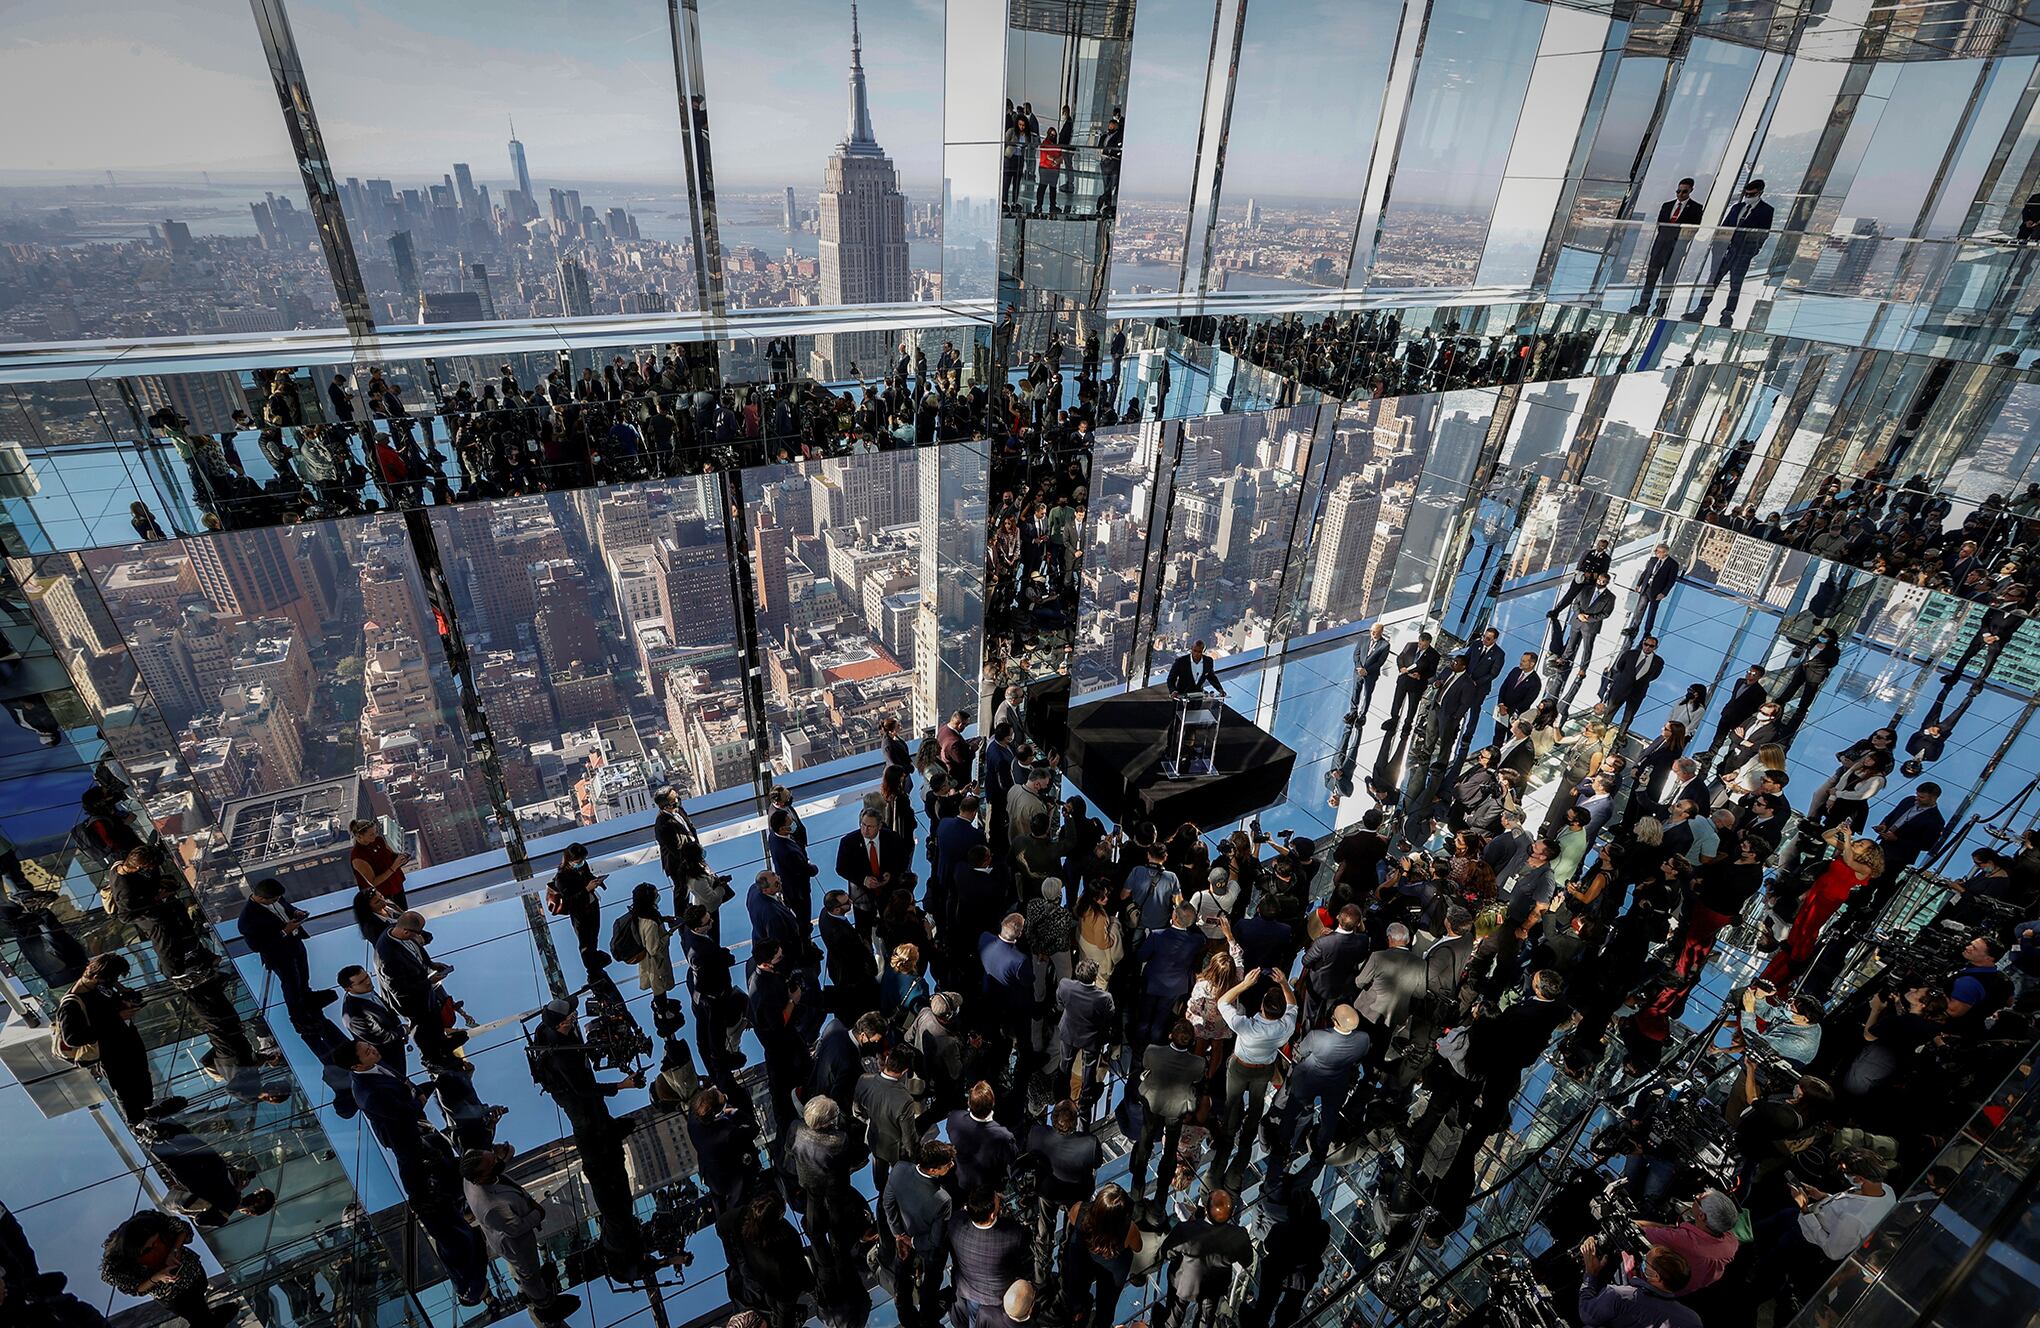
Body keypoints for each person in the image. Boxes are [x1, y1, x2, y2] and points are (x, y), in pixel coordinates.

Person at [55, 955, 183, 1128]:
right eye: (111, 978)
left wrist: (127, 1001)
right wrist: (117, 1018)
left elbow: (112, 1003)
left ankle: (147, 1107)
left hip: (127, 1036)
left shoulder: (101, 984)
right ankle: (137, 1124)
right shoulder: (71, 1004)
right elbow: (73, 1039)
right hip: (109, 1049)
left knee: (142, 1074)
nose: (113, 982)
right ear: (95, 975)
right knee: (124, 1086)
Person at [462, 1146, 581, 1327]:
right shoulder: (491, 1206)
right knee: (529, 1274)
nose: (496, 1161)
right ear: (479, 1177)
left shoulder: (474, 1176)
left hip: (509, 1229)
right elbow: (515, 1228)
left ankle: (536, 1291)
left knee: (530, 1273)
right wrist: (538, 1213)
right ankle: (545, 1306)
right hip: (516, 1244)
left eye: (493, 1157)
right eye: (491, 1163)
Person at [1208, 965, 1298, 1186]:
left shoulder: (1246, 1026)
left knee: (1232, 1102)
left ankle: (1228, 1134)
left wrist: (1245, 984)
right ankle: (1246, 1140)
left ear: (1262, 1005)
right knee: (1256, 1105)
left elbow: (1222, 1003)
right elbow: (1293, 1005)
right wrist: (1285, 983)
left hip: (1239, 1068)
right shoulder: (1285, 1027)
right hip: (1263, 1070)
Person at [100, 1212, 234, 1328]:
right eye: (147, 1250)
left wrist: (175, 1250)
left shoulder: (151, 1221)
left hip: (193, 1276)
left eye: (156, 1241)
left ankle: (213, 1318)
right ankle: (213, 1319)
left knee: (204, 1316)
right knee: (202, 1315)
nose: (156, 1248)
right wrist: (157, 1277)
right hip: (175, 1295)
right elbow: (136, 1289)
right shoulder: (119, 1265)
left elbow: (184, 1229)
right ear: (135, 1253)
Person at [1128, 1019, 1204, 1204]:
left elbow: (1146, 1066)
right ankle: (1164, 1175)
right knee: (1171, 1145)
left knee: (1147, 1133)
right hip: (1176, 1108)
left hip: (1153, 1101)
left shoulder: (1153, 1051)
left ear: (1171, 1035)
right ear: (1192, 1041)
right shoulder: (1197, 1063)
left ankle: (1139, 1174)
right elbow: (1197, 1080)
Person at [883, 1140, 955, 1328]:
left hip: (904, 1239)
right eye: (948, 1165)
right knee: (930, 1284)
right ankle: (927, 1315)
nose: (952, 1166)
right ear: (933, 1170)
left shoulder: (899, 1169)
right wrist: (912, 1241)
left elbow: (887, 1204)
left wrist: (899, 1235)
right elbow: (935, 1240)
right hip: (927, 1250)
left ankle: (908, 1312)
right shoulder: (943, 1200)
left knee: (902, 1281)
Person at [1686, 178, 1774, 325]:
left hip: (1743, 252)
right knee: (1713, 281)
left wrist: (1752, 251)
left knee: (1736, 283)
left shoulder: (1766, 210)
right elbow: (1725, 228)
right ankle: (1701, 309)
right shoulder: (1736, 208)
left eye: (1752, 194)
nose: (1748, 197)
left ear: (1760, 193)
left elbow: (1763, 233)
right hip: (1727, 251)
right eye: (1746, 194)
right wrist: (1718, 247)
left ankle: (1728, 312)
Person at [947, 1188, 1030, 1328]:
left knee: (974, 1320)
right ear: (992, 1215)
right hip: (997, 1297)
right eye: (997, 1200)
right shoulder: (1013, 1234)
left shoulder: (955, 1222)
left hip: (970, 1290)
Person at [1576, 1240, 1701, 1328]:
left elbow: (1587, 1314)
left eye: (1646, 1262)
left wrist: (1590, 1274)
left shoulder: (1619, 1295)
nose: (1643, 1260)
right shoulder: (1693, 1320)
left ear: (1656, 1277)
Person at [1637, 1190, 1740, 1295]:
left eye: (1698, 1198)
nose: (1697, 1195)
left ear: (1702, 1216)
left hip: (1651, 1288)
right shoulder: (1732, 1241)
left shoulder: (1682, 1240)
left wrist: (1634, 1221)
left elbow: (1638, 1230)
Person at [837, 807, 911, 939]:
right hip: (863, 898)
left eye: (870, 826)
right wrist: (863, 879)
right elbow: (841, 868)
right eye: (863, 825)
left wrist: (891, 874)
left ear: (879, 826)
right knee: (863, 933)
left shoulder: (892, 838)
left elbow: (903, 860)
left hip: (888, 894)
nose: (865, 830)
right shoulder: (848, 842)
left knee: (892, 929)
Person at [1632, 177, 1701, 316]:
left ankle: (1660, 307)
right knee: (1651, 276)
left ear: (1690, 191)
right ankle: (1643, 304)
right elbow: (1660, 226)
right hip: (1660, 246)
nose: (1680, 194)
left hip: (1676, 248)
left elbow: (1692, 229)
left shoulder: (1696, 208)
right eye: (1678, 191)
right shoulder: (1667, 206)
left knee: (1668, 279)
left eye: (1684, 192)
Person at [339, 962, 408, 1075]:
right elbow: (380, 1038)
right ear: (348, 989)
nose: (367, 981)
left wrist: (399, 1032)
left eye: (367, 976)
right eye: (361, 982)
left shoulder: (364, 990)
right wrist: (403, 1030)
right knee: (400, 1079)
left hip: (395, 1043)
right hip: (387, 1056)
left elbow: (383, 1010)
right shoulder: (354, 1015)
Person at [550, 842, 605, 957]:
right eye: (579, 861)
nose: (582, 863)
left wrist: (597, 881)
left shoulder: (583, 865)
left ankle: (594, 955)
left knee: (594, 933)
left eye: (583, 860)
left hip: (592, 904)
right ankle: (590, 964)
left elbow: (588, 875)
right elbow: (570, 900)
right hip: (579, 912)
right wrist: (586, 889)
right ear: (570, 861)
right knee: (585, 940)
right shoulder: (561, 878)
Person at [349, 817, 409, 901]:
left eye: (375, 832)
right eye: (371, 834)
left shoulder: (379, 840)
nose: (375, 835)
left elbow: (391, 856)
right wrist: (394, 867)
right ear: (359, 836)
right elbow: (373, 882)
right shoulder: (357, 857)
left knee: (403, 910)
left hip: (395, 884)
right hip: (380, 895)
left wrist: (402, 858)